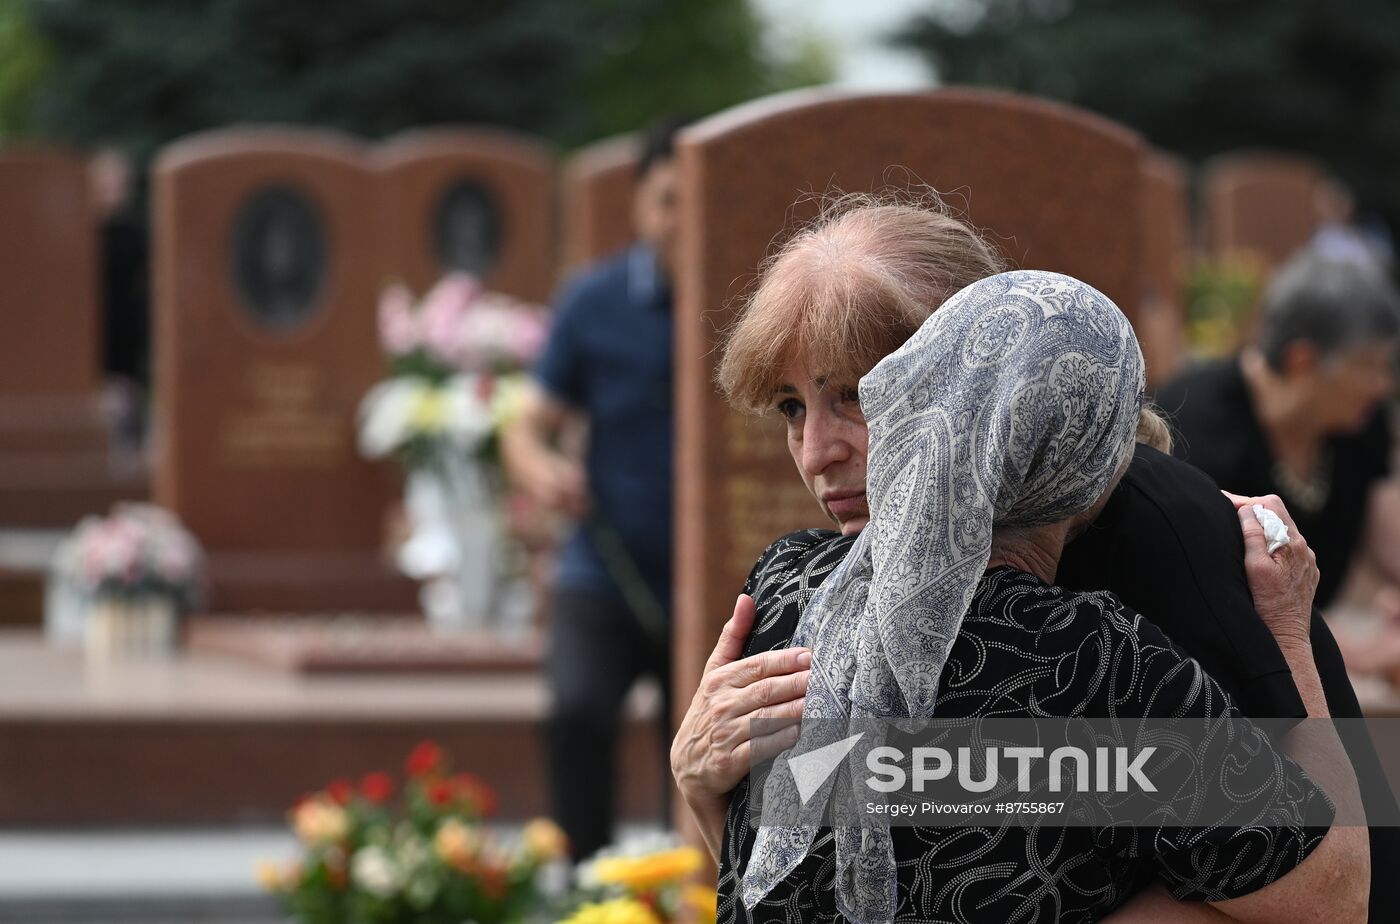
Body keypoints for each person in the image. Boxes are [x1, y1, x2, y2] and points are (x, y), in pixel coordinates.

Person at [669, 195, 1392, 920]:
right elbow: (1329, 896)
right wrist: (702, 781)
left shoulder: (793, 582)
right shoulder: (1098, 659)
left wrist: (715, 796)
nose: (816, 454)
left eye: (858, 396)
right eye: (791, 407)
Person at [502, 116, 689, 860]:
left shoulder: (757, 297)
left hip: (715, 579)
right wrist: (543, 470)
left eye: (695, 198)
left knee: (710, 742)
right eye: (667, 199)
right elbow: (526, 428)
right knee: (576, 709)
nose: (680, 219)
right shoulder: (593, 298)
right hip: (604, 566)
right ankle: (585, 885)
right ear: (641, 205)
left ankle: (700, 888)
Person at [1158, 251, 1400, 615]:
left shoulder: (1359, 418)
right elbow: (1209, 607)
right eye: (1370, 366)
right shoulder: (1194, 432)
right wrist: (1360, 654)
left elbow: (1389, 541)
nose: (1384, 385)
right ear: (1301, 360)